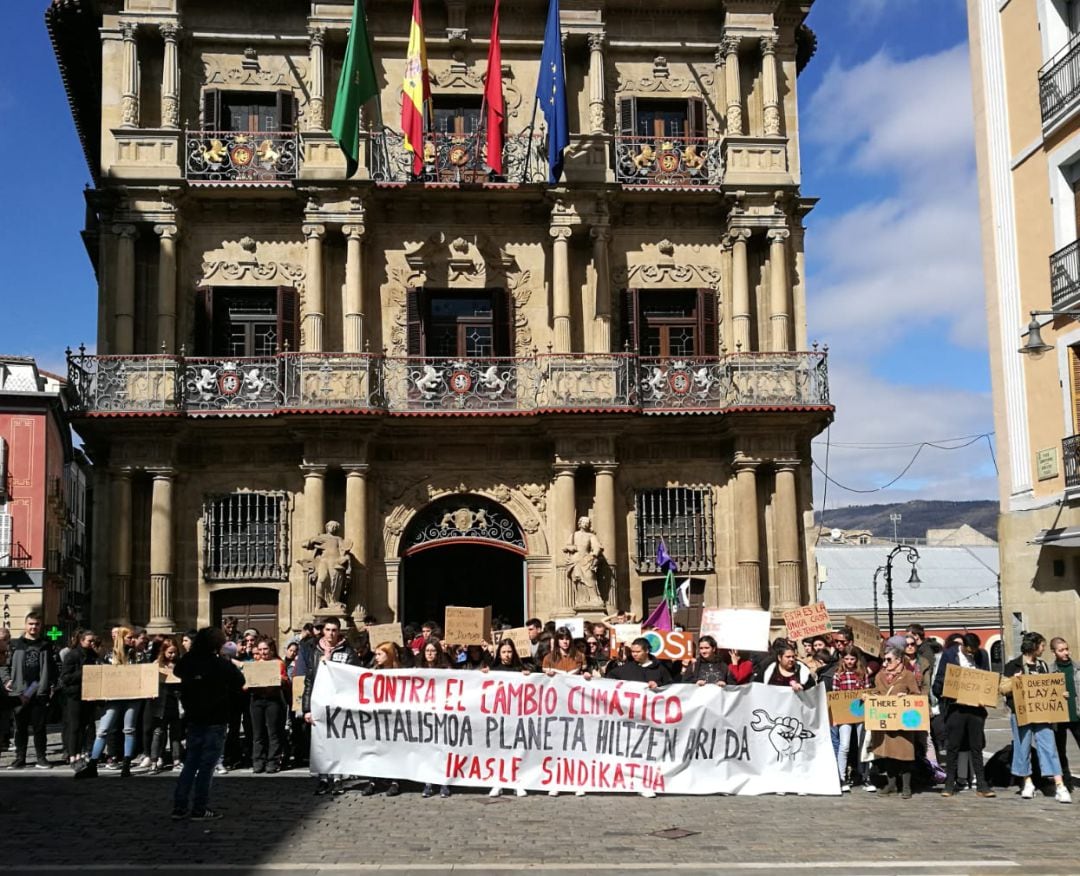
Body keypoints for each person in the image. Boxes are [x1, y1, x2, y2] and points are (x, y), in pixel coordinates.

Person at [170, 627, 245, 819]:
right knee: (206, 766)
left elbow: (178, 671)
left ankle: (179, 807)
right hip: (215, 718)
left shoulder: (189, 660)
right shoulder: (219, 663)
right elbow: (239, 681)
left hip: (194, 717)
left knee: (191, 763)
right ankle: (199, 808)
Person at [1002, 632, 1071, 803]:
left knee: (1049, 746)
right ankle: (1027, 781)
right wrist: (1014, 681)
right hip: (1021, 713)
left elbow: (1049, 686)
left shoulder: (1043, 666)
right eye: (1042, 645)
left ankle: (1059, 784)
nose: (1043, 649)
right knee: (1022, 747)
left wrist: (1059, 694)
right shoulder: (1013, 665)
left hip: (1042, 713)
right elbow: (1002, 688)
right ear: (1034, 646)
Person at [302, 617, 361, 796]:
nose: (331, 634)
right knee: (320, 743)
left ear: (339, 632)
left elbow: (353, 679)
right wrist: (306, 708)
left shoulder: (348, 652)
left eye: (334, 630)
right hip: (319, 702)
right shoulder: (314, 650)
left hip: (339, 703)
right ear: (323, 631)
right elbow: (309, 681)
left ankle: (337, 779)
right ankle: (322, 779)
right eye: (328, 630)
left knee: (337, 741)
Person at [604, 637, 671, 798]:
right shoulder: (626, 669)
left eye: (637, 651)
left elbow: (672, 688)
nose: (634, 654)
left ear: (647, 651)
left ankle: (647, 783)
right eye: (632, 651)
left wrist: (659, 687)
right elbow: (608, 681)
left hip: (651, 721)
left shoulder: (660, 669)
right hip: (629, 720)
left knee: (648, 753)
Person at [74, 626, 142, 779]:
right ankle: (92, 765)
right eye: (129, 637)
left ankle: (126, 766)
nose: (132, 640)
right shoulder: (109, 656)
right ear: (122, 639)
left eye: (132, 638)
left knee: (129, 730)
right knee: (103, 730)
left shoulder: (137, 655)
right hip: (113, 698)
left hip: (133, 697)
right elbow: (101, 676)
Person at [933, 632, 995, 799]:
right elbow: (938, 682)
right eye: (969, 651)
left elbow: (987, 678)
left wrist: (985, 695)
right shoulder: (949, 655)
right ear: (963, 646)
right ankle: (949, 784)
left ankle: (981, 784)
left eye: (974, 651)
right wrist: (948, 690)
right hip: (956, 708)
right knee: (953, 747)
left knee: (976, 746)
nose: (971, 654)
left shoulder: (982, 655)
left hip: (975, 709)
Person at [1, 612, 59, 769]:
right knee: (20, 727)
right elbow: (4, 665)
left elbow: (53, 668)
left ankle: (41, 758)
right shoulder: (15, 644)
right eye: (31, 624)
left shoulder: (46, 645)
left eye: (37, 624)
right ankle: (20, 758)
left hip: (39, 691)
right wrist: (6, 680)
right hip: (20, 691)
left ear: (40, 626)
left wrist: (51, 685)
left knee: (39, 728)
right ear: (26, 625)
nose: (33, 627)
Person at [360, 642, 410, 798]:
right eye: (376, 654)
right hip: (376, 718)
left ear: (389, 655)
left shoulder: (401, 673)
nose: (376, 657)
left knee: (394, 750)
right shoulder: (372, 672)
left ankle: (395, 781)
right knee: (375, 749)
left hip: (395, 719)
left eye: (380, 654)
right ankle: (373, 780)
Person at [869, 647, 921, 798]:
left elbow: (917, 695)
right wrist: (870, 697)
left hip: (903, 722)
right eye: (884, 660)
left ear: (898, 660)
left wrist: (906, 696)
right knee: (889, 754)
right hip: (886, 720)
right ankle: (891, 785)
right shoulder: (880, 676)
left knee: (904, 754)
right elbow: (877, 692)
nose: (885, 663)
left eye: (889, 660)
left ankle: (906, 787)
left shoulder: (908, 676)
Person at [482, 639, 530, 797]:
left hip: (516, 716)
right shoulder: (494, 669)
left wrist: (527, 676)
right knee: (499, 750)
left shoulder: (520, 669)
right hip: (498, 717)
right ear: (499, 653)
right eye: (503, 652)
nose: (507, 655)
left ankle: (517, 781)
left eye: (509, 651)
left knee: (516, 749)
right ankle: (499, 782)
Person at [832, 646, 868, 792]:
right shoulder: (838, 674)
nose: (849, 661)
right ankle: (842, 777)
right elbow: (835, 696)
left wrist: (866, 695)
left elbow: (867, 690)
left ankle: (863, 775)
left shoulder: (862, 674)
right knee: (844, 745)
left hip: (859, 711)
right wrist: (835, 715)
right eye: (846, 659)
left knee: (862, 745)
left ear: (856, 659)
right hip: (844, 713)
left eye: (852, 659)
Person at [249, 637, 288, 774]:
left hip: (272, 699)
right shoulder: (254, 664)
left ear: (271, 650)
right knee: (258, 733)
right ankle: (258, 761)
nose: (263, 652)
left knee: (273, 732)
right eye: (260, 649)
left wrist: (280, 679)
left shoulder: (278, 663)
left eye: (265, 649)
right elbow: (245, 684)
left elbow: (285, 681)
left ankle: (273, 761)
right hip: (257, 699)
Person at [59, 630, 98, 765]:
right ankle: (72, 754)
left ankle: (80, 752)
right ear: (82, 641)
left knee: (84, 726)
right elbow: (65, 677)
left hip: (88, 694)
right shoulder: (72, 655)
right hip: (74, 695)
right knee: (74, 726)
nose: (92, 643)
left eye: (93, 641)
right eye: (89, 641)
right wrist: (84, 672)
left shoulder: (93, 655)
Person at [147, 637, 183, 773]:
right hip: (161, 703)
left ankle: (176, 760)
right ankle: (154, 761)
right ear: (163, 652)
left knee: (176, 733)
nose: (172, 655)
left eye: (174, 652)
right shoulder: (157, 664)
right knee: (158, 732)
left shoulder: (180, 664)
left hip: (176, 703)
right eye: (169, 653)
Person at [1051, 637, 1080, 790]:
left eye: (1066, 649)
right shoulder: (1050, 671)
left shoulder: (1077, 668)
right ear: (1054, 652)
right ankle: (1067, 781)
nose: (1066, 653)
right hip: (1059, 717)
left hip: (1077, 715)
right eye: (1061, 650)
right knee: (1061, 751)